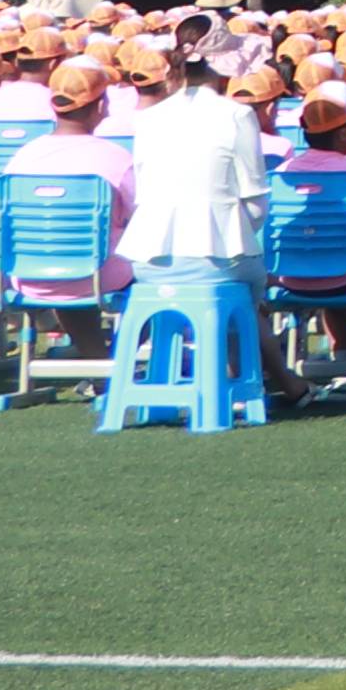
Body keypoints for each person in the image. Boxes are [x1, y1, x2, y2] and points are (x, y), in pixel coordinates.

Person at [117, 28, 271, 415]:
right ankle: (253, 380)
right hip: (216, 254)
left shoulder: (148, 119)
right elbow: (254, 203)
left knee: (240, 283)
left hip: (149, 259)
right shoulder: (237, 114)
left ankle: (270, 380)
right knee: (250, 288)